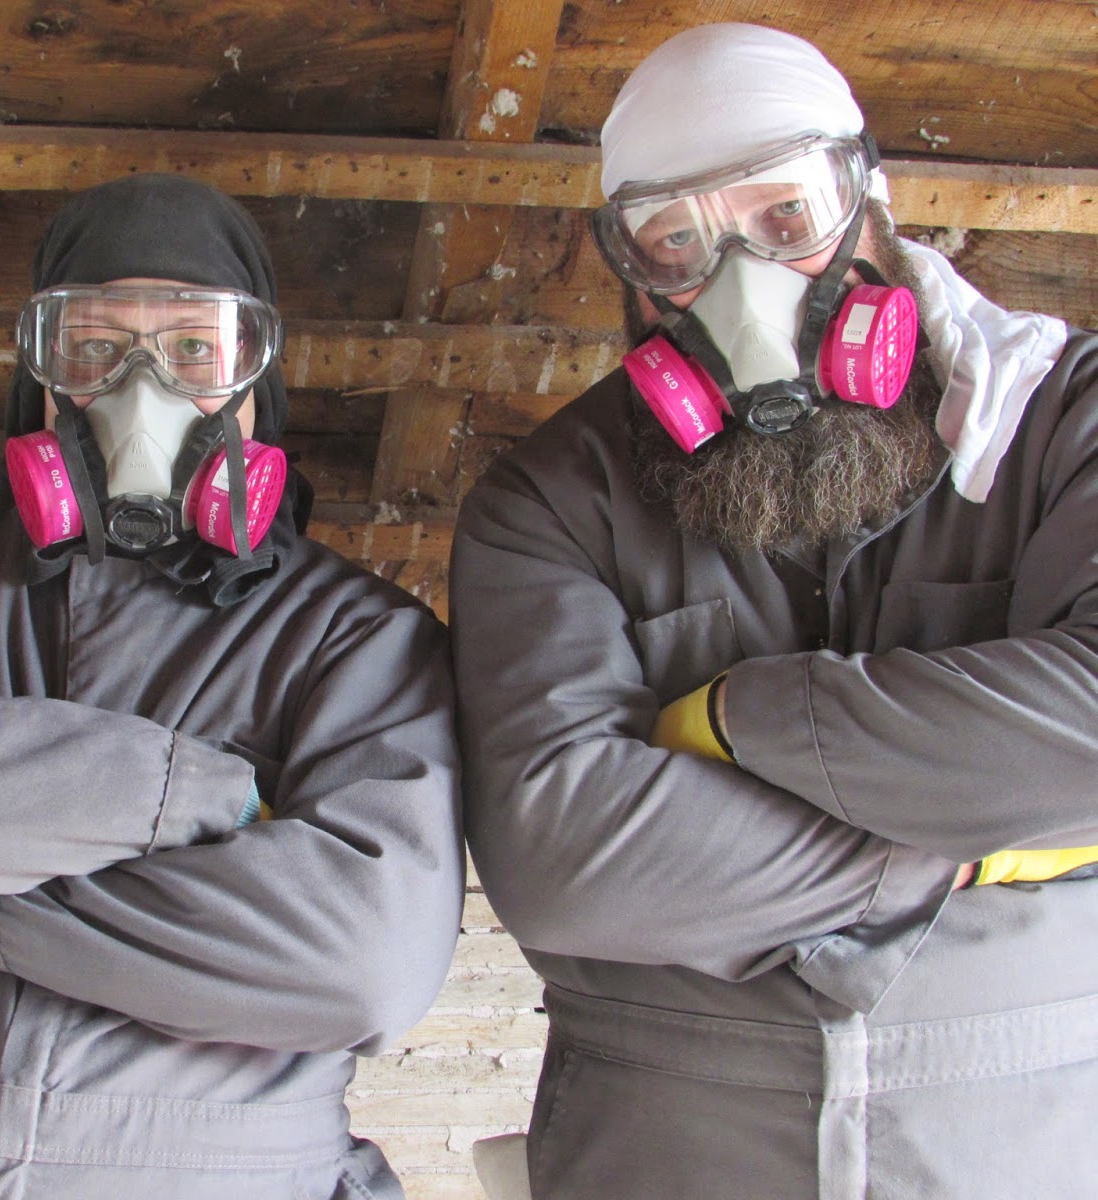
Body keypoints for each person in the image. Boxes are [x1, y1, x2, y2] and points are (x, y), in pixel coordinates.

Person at [0, 173, 464, 1199]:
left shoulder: (360, 636)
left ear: (257, 382)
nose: (142, 391)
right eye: (95, 348)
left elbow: (362, 963)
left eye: (193, 349)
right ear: (41, 378)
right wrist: (204, 796)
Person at [452, 23, 1098, 1199]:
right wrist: (965, 852)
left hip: (1025, 1141)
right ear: (631, 272)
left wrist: (734, 720)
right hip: (665, 1155)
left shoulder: (1064, 424)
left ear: (872, 206)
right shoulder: (551, 500)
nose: (742, 283)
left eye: (787, 218)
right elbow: (561, 863)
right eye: (676, 240)